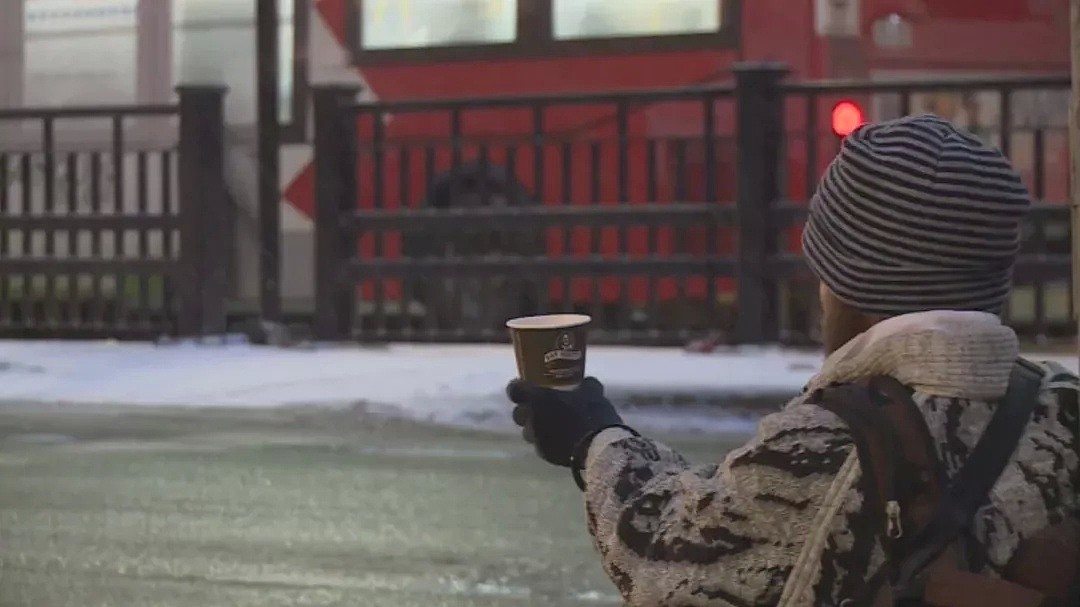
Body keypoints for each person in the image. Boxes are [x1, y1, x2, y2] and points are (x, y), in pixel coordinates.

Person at [506, 115, 1079, 606]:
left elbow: (669, 561)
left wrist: (594, 439)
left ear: (851, 280)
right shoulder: (1062, 408)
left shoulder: (830, 447)